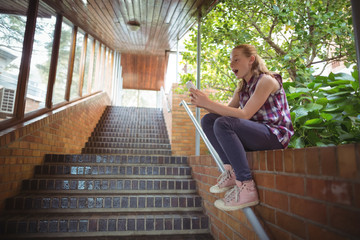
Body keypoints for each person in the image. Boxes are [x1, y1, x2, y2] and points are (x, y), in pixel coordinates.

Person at [189, 44, 294, 211]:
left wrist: (208, 102)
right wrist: (203, 103)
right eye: (231, 61)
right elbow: (223, 113)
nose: (232, 64)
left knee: (224, 123)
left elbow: (244, 114)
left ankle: (246, 186)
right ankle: (231, 171)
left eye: (236, 60)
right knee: (209, 120)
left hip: (274, 136)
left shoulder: (267, 80)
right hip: (256, 134)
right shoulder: (242, 89)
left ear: (251, 60)